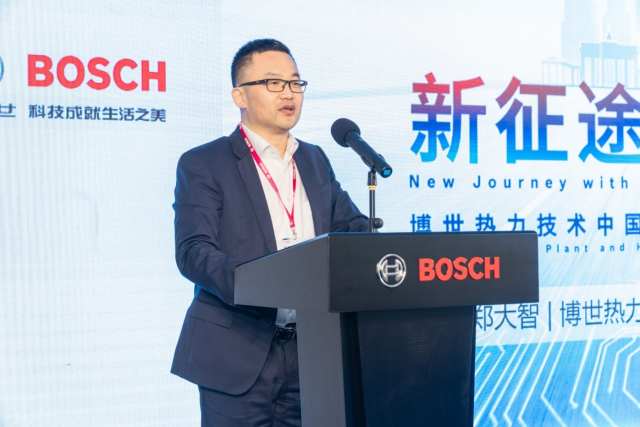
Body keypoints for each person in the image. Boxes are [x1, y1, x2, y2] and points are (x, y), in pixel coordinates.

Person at [170, 38, 368, 426]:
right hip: (236, 351)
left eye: (295, 83)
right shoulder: (204, 162)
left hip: (313, 353)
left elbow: (352, 228)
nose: (288, 93)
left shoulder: (314, 159)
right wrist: (266, 285)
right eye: (273, 83)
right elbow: (194, 251)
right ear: (239, 96)